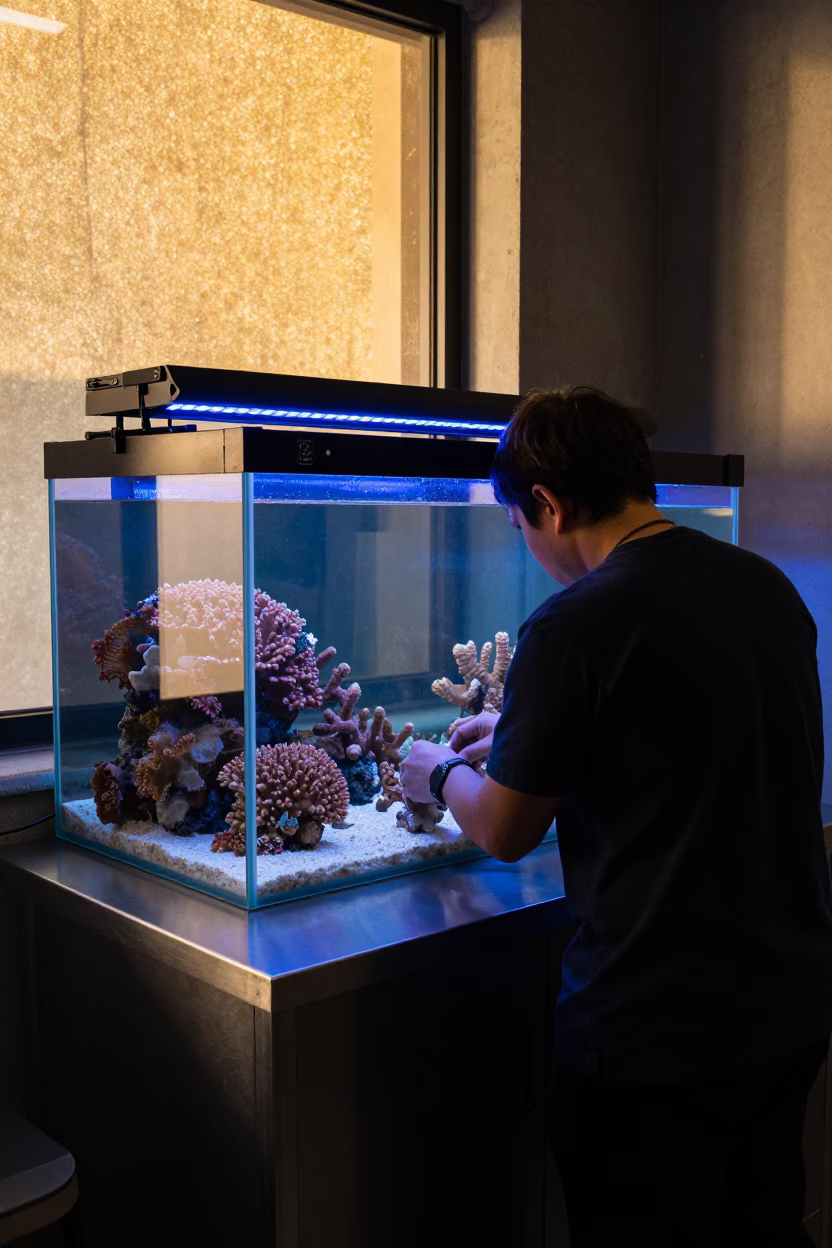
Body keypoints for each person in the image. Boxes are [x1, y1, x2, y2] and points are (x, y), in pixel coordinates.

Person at [400, 385, 832, 1248]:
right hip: (783, 1010)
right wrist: (523, 735)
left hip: (654, 1036)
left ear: (548, 506)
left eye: (521, 527)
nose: (529, 547)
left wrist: (437, 769)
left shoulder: (573, 625)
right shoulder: (764, 586)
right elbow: (686, 741)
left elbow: (505, 831)